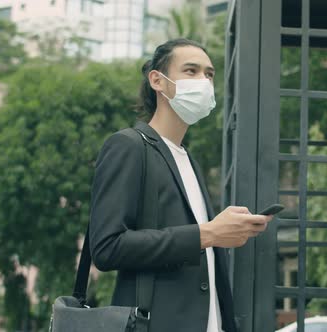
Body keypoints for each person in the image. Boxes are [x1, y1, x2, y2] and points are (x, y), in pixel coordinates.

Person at [89, 38, 273, 332]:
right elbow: (107, 247)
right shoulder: (128, 146)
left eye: (209, 74)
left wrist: (224, 232)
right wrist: (208, 233)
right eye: (191, 71)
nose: (203, 81)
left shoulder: (188, 159)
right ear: (157, 81)